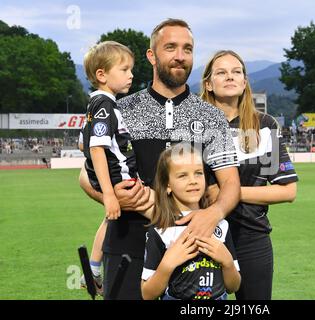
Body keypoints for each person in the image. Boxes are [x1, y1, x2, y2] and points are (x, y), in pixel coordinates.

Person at [79, 19, 240, 300]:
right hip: (125, 246)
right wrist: (115, 196)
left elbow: (231, 186)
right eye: (171, 47)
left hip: (190, 249)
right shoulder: (121, 108)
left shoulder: (211, 116)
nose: (180, 56)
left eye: (187, 49)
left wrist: (211, 216)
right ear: (152, 55)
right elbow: (85, 175)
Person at [200, 50, 298, 300]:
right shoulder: (194, 127)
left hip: (251, 238)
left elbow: (287, 190)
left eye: (236, 72)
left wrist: (230, 193)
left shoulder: (264, 126)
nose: (230, 77)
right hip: (203, 235)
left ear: (244, 82)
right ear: (209, 84)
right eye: (221, 72)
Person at [78, 41, 153, 295]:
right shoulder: (105, 106)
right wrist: (109, 193)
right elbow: (96, 149)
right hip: (122, 181)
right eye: (124, 69)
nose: (131, 75)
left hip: (117, 179)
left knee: (109, 222)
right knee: (163, 214)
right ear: (102, 74)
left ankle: (94, 269)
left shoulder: (97, 105)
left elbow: (83, 143)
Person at [141, 144, 241, 300]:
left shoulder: (221, 225)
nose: (193, 181)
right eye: (182, 175)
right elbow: (147, 294)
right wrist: (167, 265)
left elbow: (233, 286)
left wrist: (227, 262)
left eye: (198, 173)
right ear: (167, 184)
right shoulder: (161, 230)